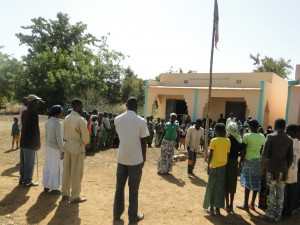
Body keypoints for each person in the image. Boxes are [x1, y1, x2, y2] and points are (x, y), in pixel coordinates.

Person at [113, 97, 149, 223]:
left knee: (119, 187)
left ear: (126, 105)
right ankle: (133, 217)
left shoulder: (118, 119)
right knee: (134, 189)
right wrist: (144, 158)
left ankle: (117, 215)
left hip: (122, 158)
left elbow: (121, 136)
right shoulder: (141, 121)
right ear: (137, 106)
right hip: (135, 159)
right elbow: (144, 141)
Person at [261, 119, 293, 223]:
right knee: (280, 192)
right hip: (283, 170)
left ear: (275, 125)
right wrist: (286, 168)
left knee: (271, 191)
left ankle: (270, 214)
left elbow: (264, 155)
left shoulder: (270, 137)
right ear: (284, 126)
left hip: (272, 169)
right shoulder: (289, 139)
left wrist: (262, 169)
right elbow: (290, 158)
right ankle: (278, 215)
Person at [61, 98, 90, 204]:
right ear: (78, 107)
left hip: (67, 147)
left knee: (66, 171)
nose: (82, 109)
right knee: (76, 173)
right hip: (78, 148)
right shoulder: (80, 120)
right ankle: (75, 196)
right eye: (81, 107)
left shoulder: (66, 118)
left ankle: (65, 194)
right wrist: (85, 144)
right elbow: (86, 138)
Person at [237, 119, 265, 211]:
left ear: (250, 126)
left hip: (248, 160)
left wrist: (240, 160)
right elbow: (262, 149)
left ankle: (245, 204)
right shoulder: (262, 136)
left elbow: (244, 150)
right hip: (257, 161)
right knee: (256, 181)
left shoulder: (247, 136)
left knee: (247, 183)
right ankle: (252, 203)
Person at [203, 123, 230, 215]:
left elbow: (211, 154)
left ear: (216, 131)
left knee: (211, 187)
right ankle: (217, 209)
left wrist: (208, 166)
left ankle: (211, 208)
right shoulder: (227, 141)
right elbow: (227, 153)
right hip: (223, 167)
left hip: (214, 166)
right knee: (220, 187)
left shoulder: (214, 140)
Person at [19, 94, 43, 187]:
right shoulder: (33, 113)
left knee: (23, 161)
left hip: (23, 140)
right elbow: (35, 129)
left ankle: (22, 178)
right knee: (30, 162)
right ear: (32, 102)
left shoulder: (25, 112)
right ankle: (28, 180)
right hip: (30, 141)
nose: (38, 102)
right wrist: (38, 142)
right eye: (36, 101)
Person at [43, 105, 64, 194]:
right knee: (56, 167)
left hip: (48, 146)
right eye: (61, 112)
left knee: (48, 165)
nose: (62, 114)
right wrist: (62, 150)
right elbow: (59, 138)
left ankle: (46, 185)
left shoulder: (47, 122)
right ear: (58, 113)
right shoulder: (58, 123)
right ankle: (55, 187)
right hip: (56, 148)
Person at [282, 124, 300, 218]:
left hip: (286, 171)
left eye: (287, 130)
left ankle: (284, 212)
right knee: (291, 193)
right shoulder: (298, 143)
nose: (285, 131)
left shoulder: (287, 141)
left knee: (284, 193)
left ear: (292, 132)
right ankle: (289, 212)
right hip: (294, 172)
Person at [225, 122, 243, 212]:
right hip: (234, 163)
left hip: (226, 162)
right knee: (232, 183)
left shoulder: (227, 140)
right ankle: (231, 204)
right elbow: (242, 152)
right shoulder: (239, 140)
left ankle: (227, 204)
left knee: (226, 183)